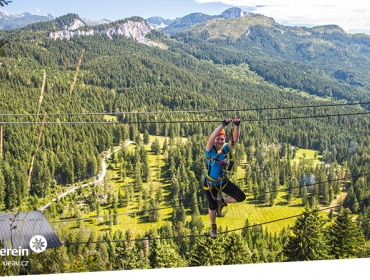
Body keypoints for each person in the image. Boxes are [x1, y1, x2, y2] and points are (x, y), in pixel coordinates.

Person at [203, 118, 246, 238]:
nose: (220, 141)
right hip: (210, 184)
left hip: (222, 181)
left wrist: (237, 125)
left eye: (222, 139)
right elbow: (211, 139)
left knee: (240, 197)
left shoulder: (225, 149)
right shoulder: (209, 151)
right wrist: (222, 125)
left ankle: (221, 202)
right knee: (212, 206)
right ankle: (213, 227)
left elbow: (235, 139)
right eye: (218, 139)